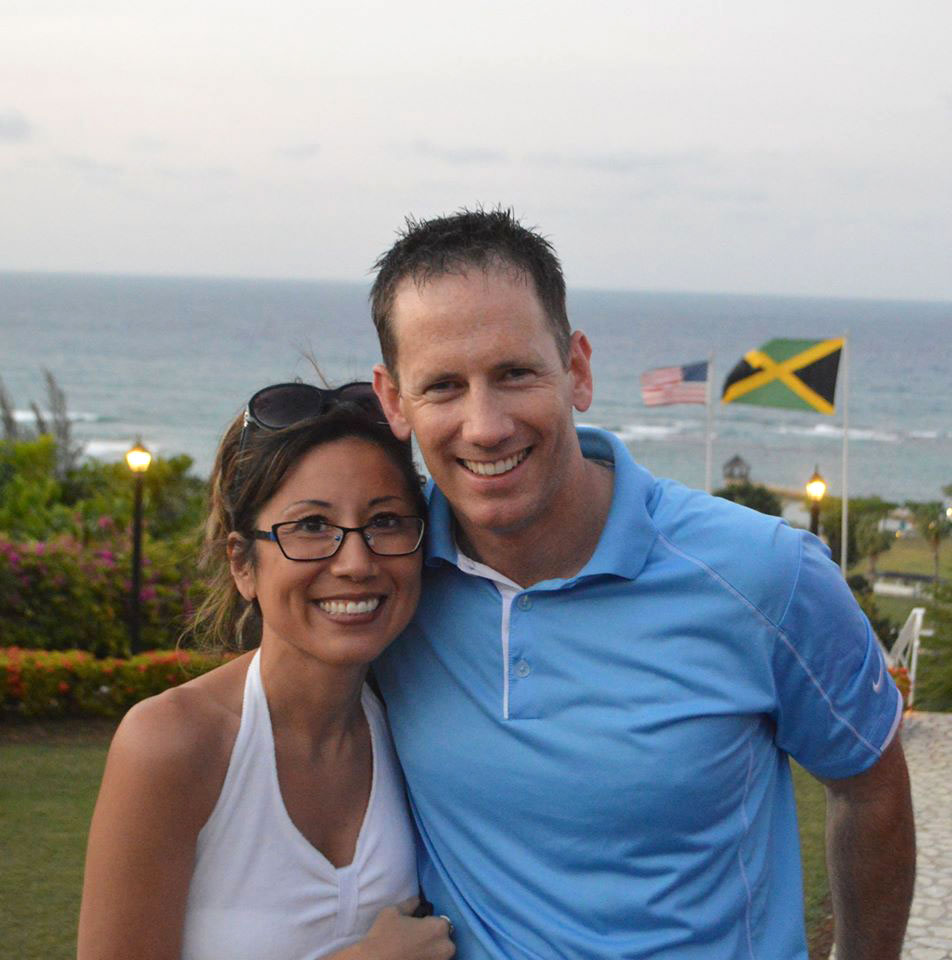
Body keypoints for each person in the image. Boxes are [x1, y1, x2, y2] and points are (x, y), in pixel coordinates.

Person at [368, 209, 916, 960]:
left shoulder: (763, 573)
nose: (485, 424)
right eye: (442, 386)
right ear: (395, 401)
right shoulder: (389, 580)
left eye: (514, 373)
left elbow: (869, 783)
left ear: (578, 370)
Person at [78, 382, 455, 960]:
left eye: (386, 521)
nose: (356, 562)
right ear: (242, 565)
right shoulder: (173, 744)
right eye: (310, 526)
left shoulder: (420, 730)